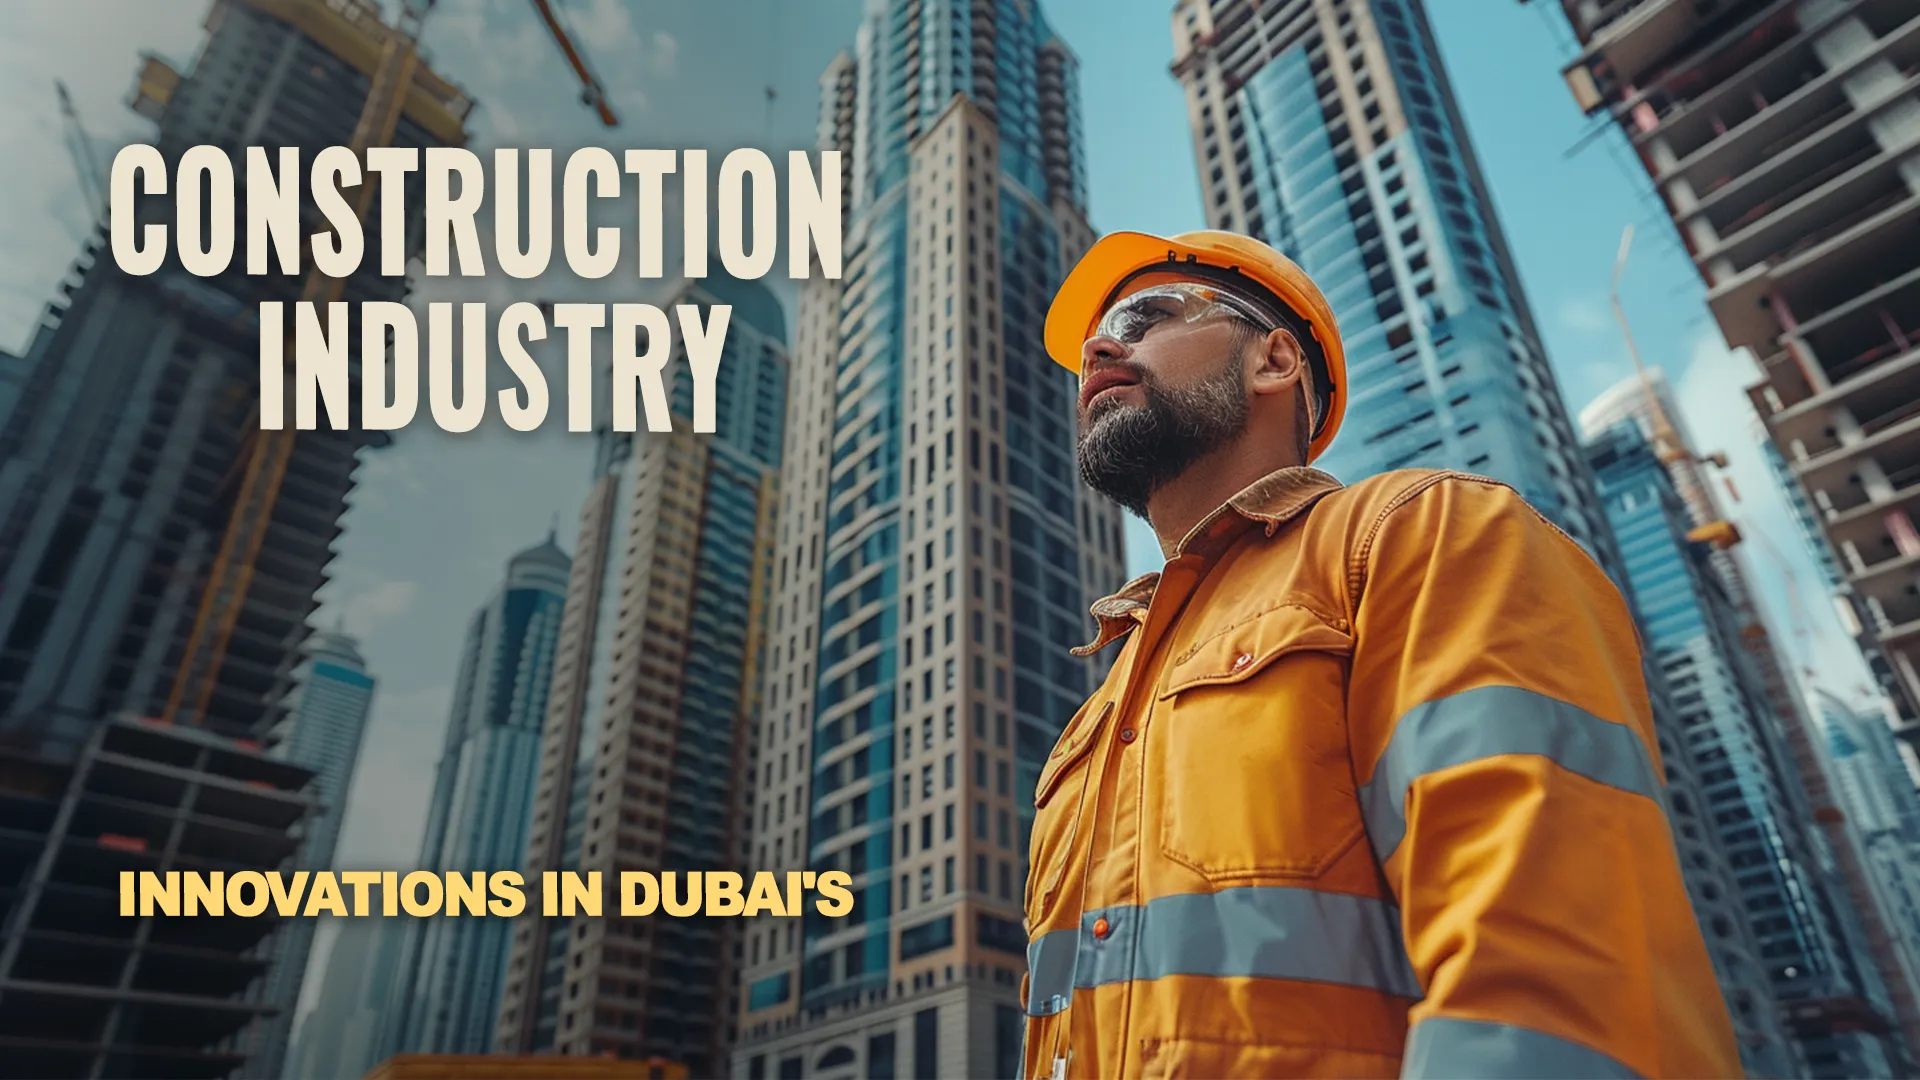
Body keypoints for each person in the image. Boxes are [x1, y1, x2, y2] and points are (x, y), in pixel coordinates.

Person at [1023, 229, 1741, 1079]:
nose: (1102, 346)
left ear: (1275, 360)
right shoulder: (1100, 717)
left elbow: (1551, 963)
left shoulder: (1422, 534)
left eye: (1145, 315)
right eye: (1095, 338)